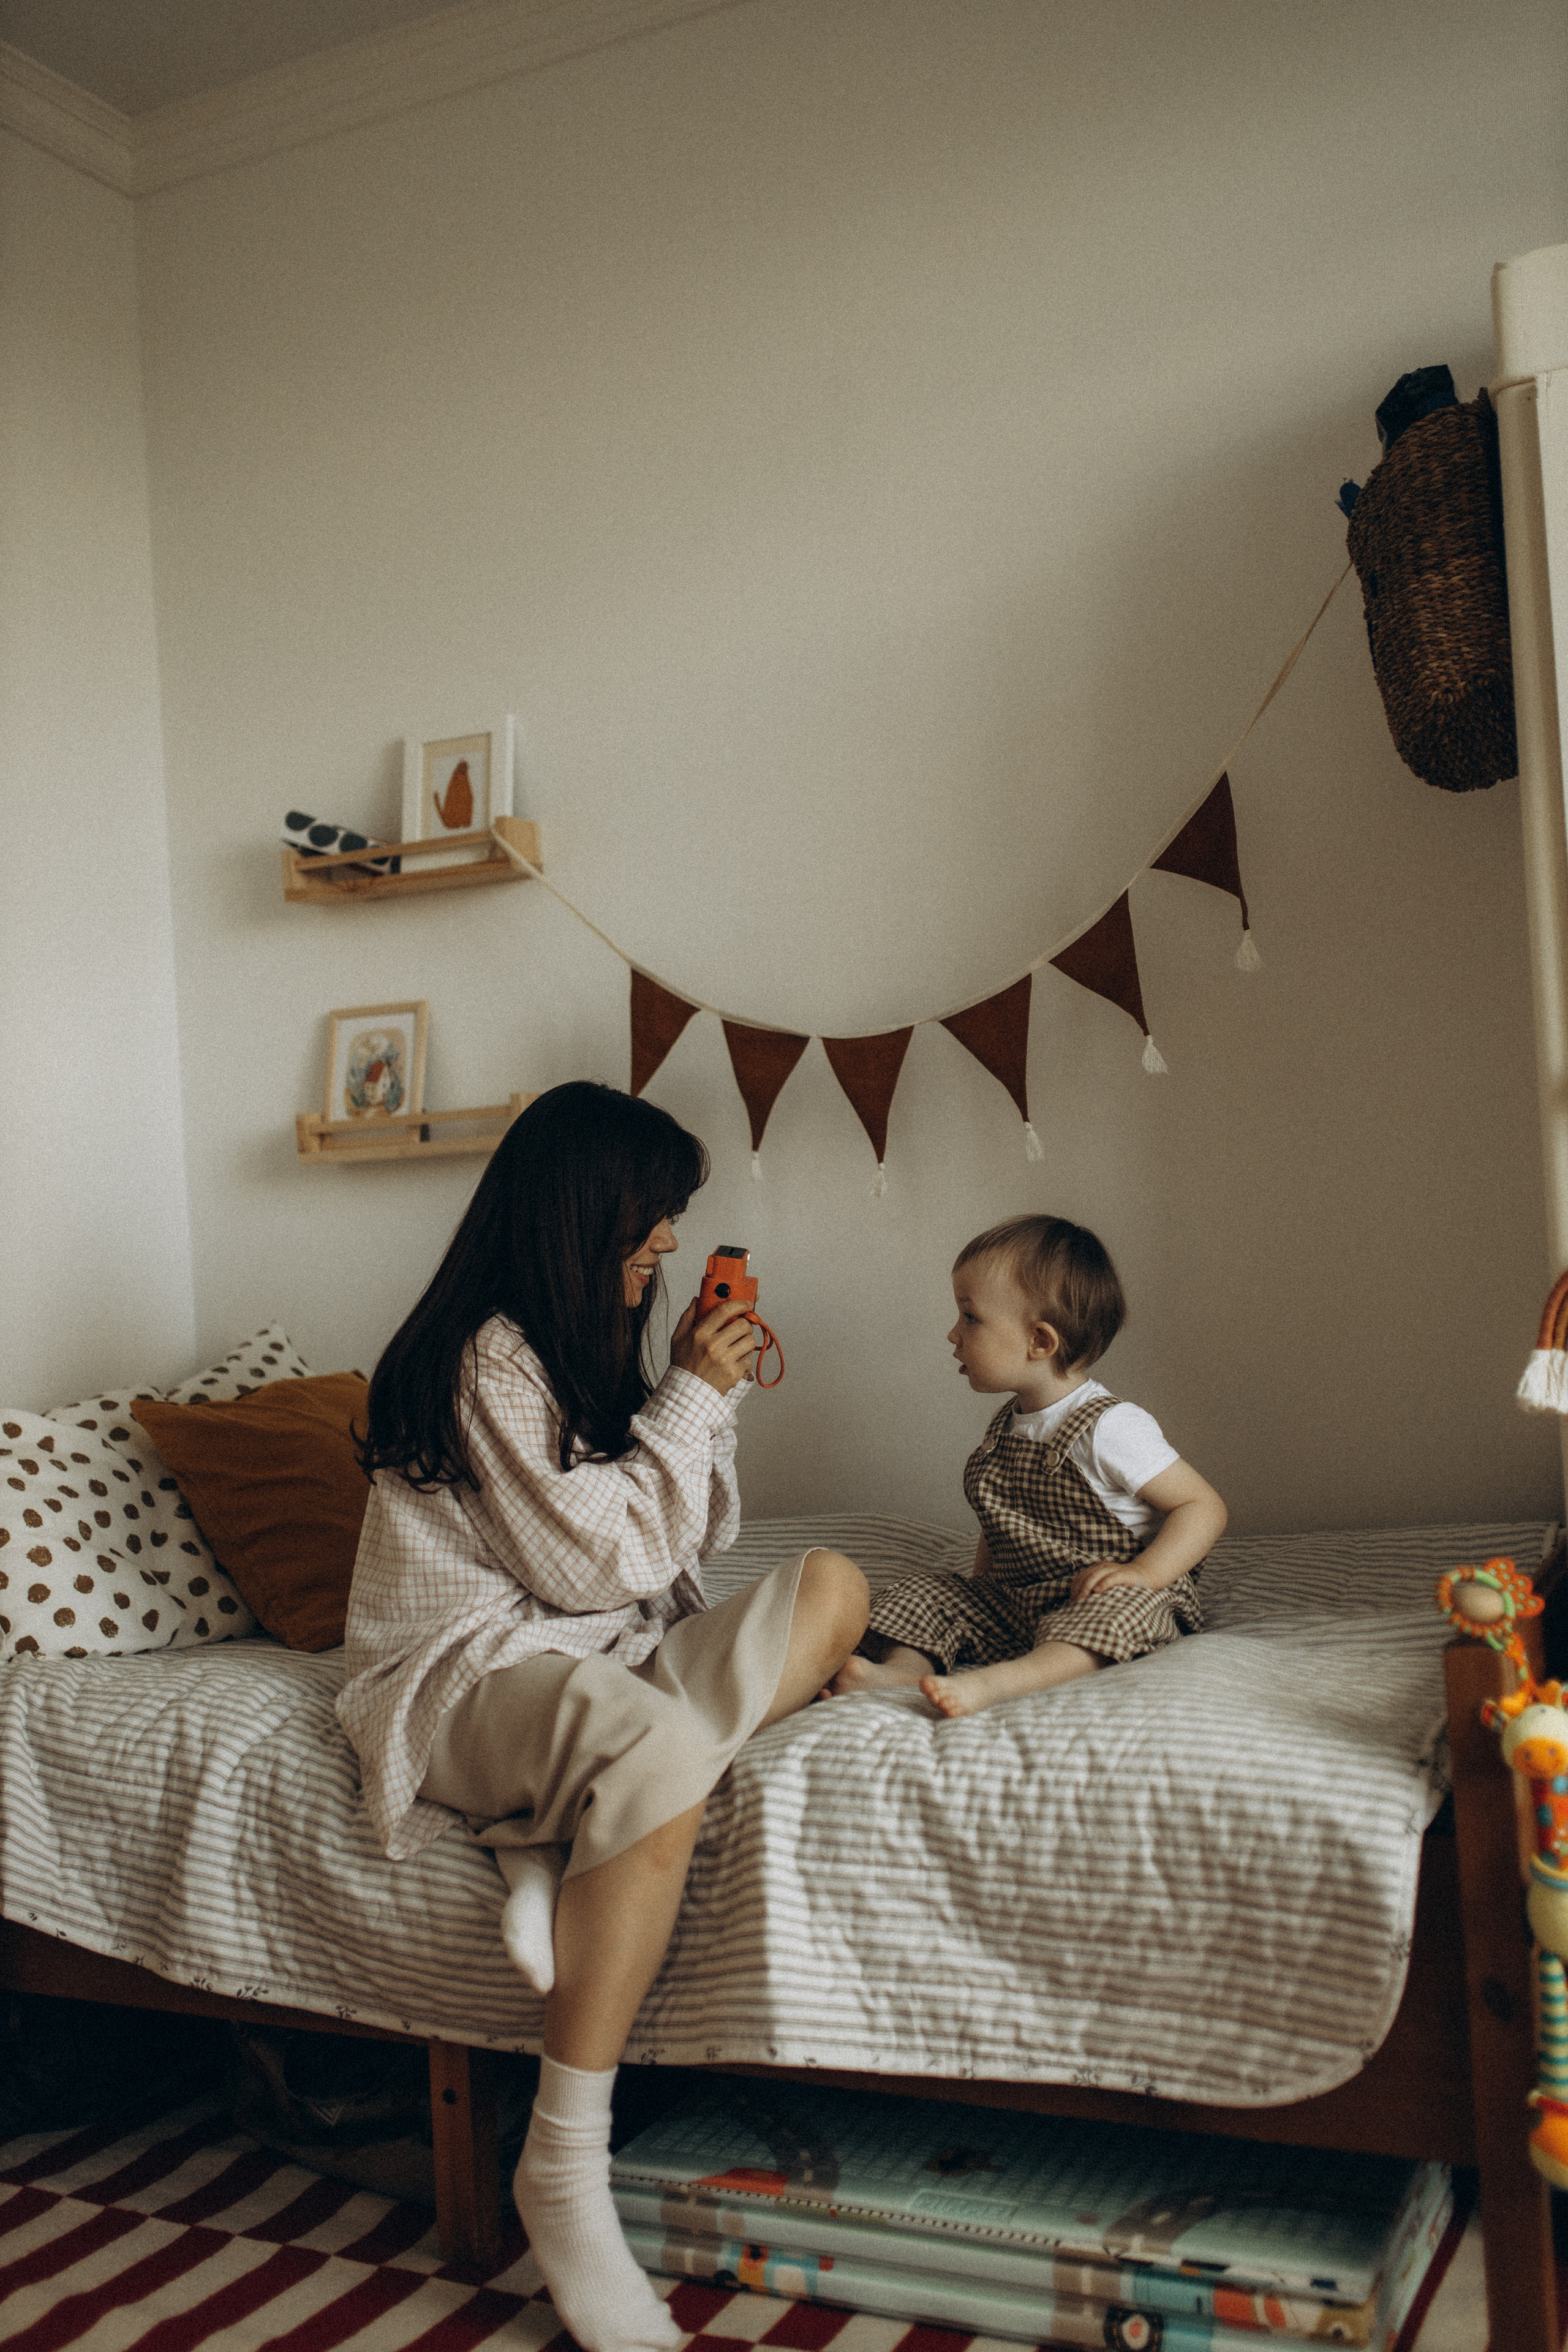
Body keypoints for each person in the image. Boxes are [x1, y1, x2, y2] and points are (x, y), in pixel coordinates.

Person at [337, 1081, 868, 2352]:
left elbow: (676, 1545)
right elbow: (589, 1568)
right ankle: (563, 2167)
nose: (670, 1242)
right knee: (651, 1739)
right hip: (465, 1674)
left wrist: (699, 1396)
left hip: (590, 1657)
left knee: (838, 1587)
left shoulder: (576, 1341)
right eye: (654, 1216)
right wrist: (690, 1400)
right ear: (585, 1210)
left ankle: (560, 1840)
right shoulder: (481, 1358)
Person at [827, 1213, 1224, 1719]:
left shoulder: (1110, 1426)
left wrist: (1144, 1574)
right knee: (923, 1591)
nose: (953, 1334)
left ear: (1040, 1342)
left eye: (970, 1318)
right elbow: (1003, 1526)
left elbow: (1202, 1506)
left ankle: (1005, 1683)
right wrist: (975, 1591)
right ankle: (904, 1671)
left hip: (1096, 1593)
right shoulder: (1008, 1426)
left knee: (1122, 1615)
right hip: (1019, 1601)